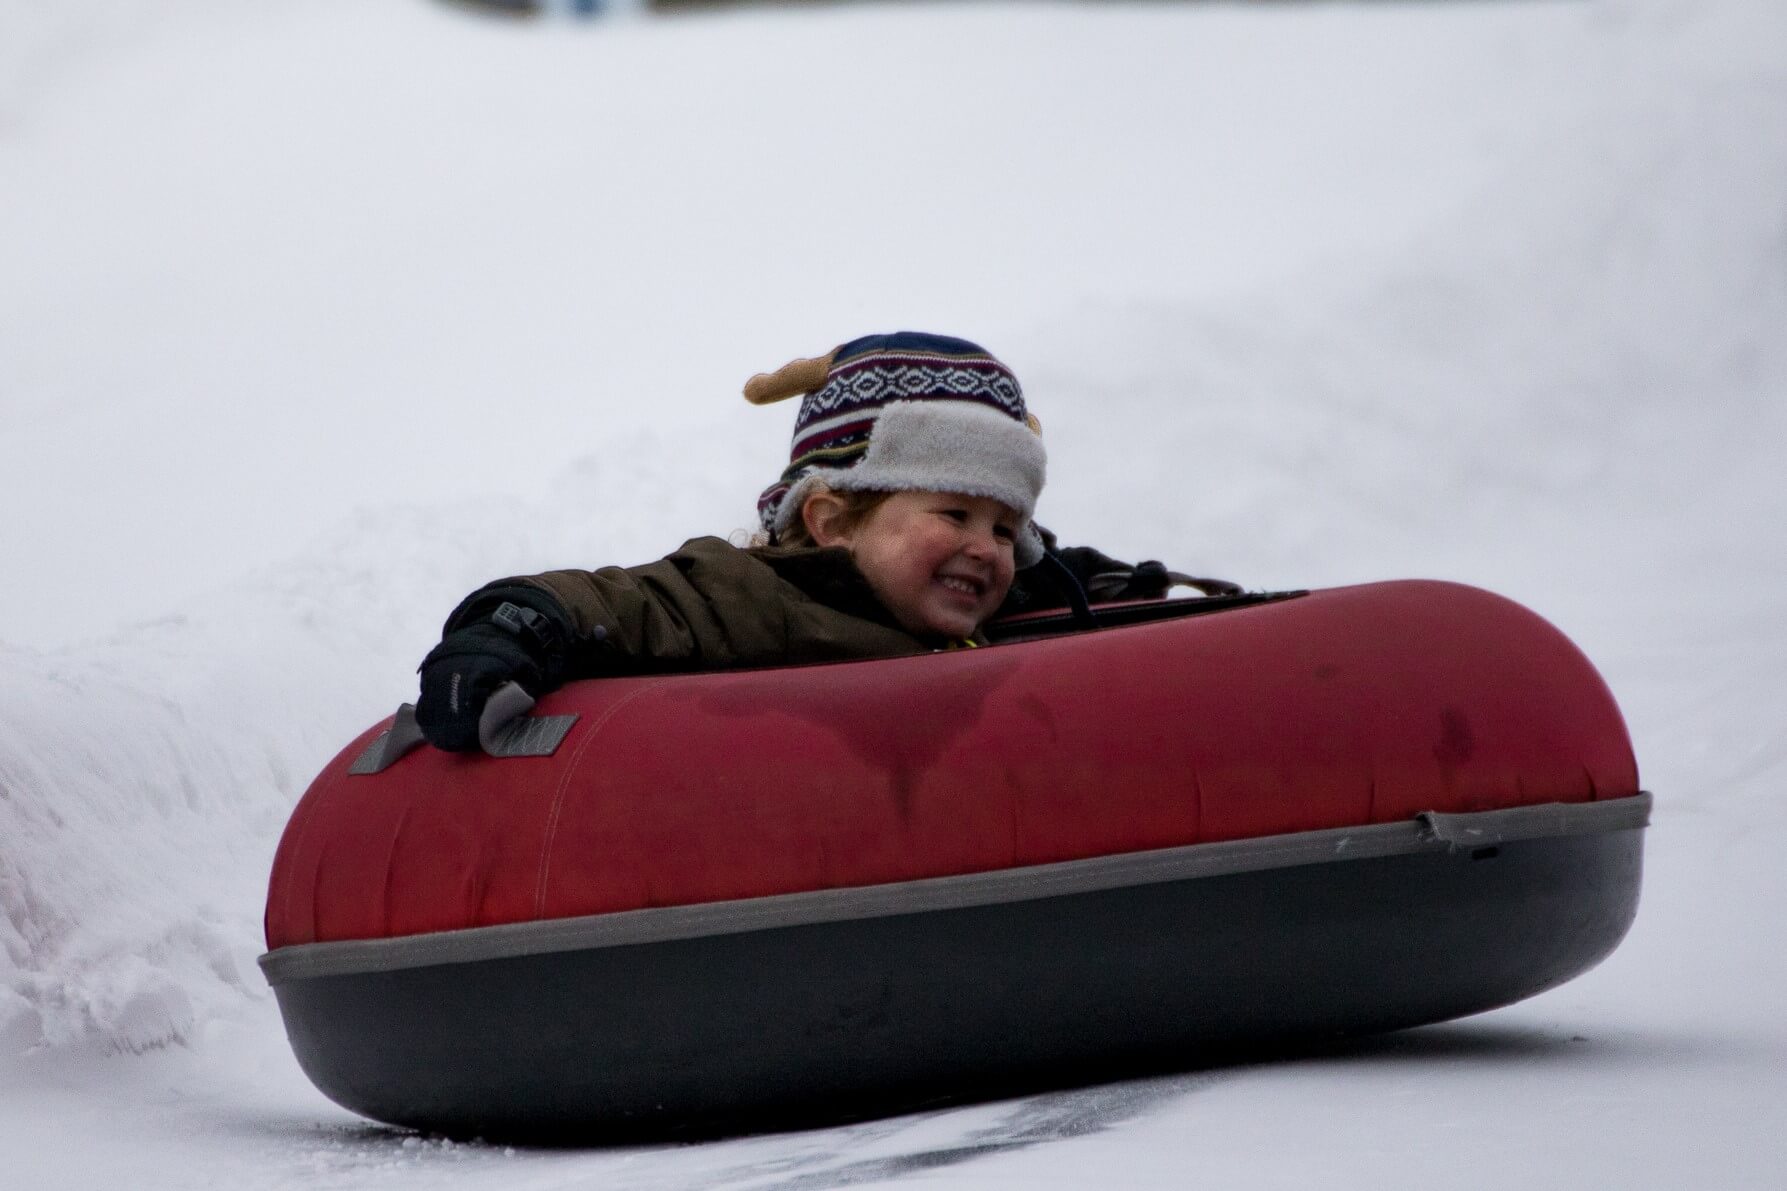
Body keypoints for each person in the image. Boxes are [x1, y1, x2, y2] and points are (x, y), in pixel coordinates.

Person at [413, 331, 1198, 752]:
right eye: (952, 516)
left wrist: (1110, 594)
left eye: (1003, 528)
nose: (986, 548)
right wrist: (516, 624)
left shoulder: (993, 612)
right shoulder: (754, 596)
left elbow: (1040, 590)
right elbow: (630, 602)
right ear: (830, 521)